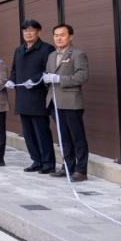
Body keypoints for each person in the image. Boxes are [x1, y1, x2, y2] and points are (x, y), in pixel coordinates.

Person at [9, 19, 57, 174]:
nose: (28, 33)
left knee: (41, 132)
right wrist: (11, 80)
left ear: (38, 32)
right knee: (28, 133)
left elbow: (48, 70)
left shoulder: (47, 49)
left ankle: (48, 163)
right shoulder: (19, 50)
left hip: (38, 97)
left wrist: (35, 80)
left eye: (31, 30)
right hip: (22, 97)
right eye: (25, 31)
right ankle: (36, 160)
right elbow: (14, 70)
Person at [44, 24, 90, 181]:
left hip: (71, 102)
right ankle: (67, 167)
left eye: (62, 35)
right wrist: (45, 79)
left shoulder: (77, 54)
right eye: (56, 35)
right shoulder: (51, 56)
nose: (58, 38)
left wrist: (59, 79)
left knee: (77, 137)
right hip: (54, 102)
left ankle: (81, 170)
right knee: (63, 137)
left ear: (71, 36)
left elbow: (82, 76)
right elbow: (50, 76)